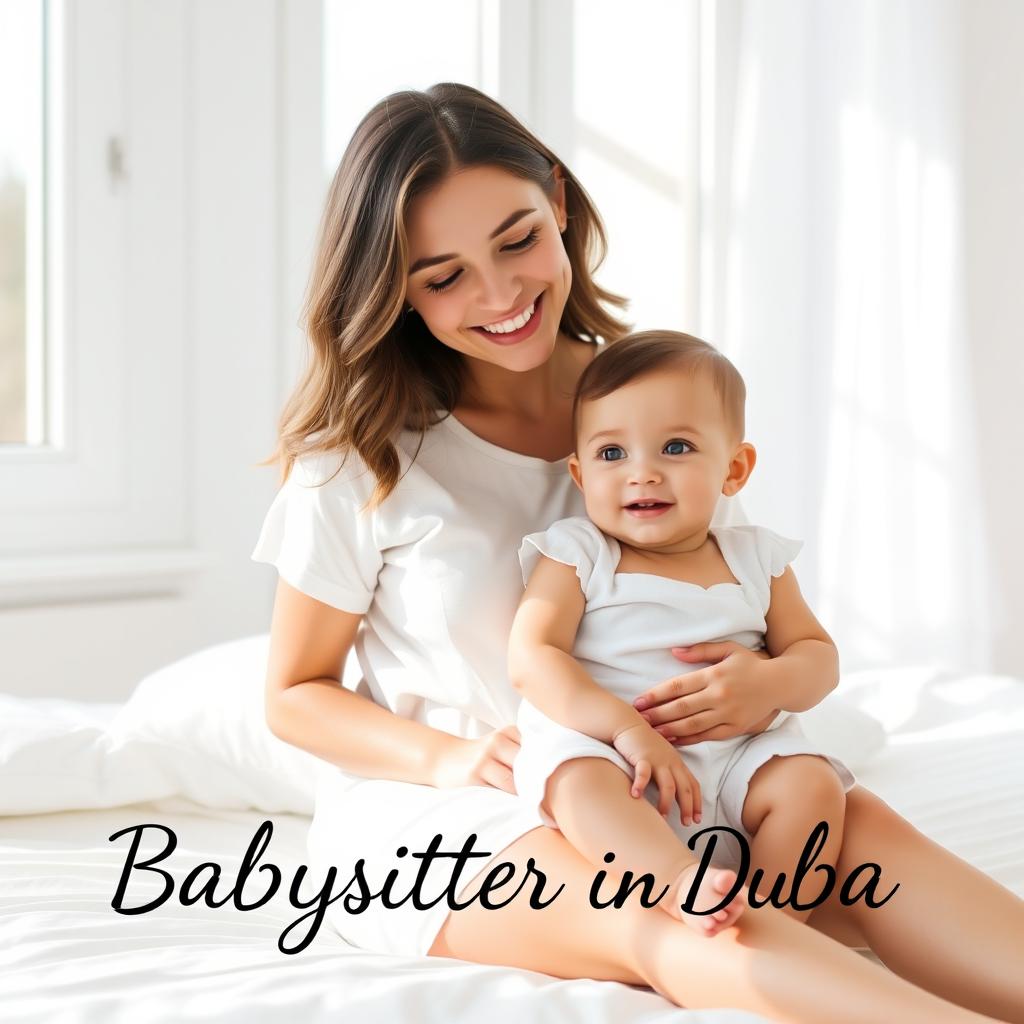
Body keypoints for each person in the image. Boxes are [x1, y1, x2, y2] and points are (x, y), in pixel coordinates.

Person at [251, 82, 1024, 1023]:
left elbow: (718, 579)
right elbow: (294, 694)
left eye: (517, 240)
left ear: (560, 206)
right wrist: (450, 760)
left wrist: (758, 680)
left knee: (854, 828)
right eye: (442, 275)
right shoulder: (362, 457)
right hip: (468, 814)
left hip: (680, 769)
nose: (499, 296)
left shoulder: (646, 395)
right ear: (392, 288)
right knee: (674, 919)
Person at [508, 331, 853, 936]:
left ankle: (775, 923)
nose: (642, 474)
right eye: (612, 454)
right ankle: (675, 883)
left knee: (813, 785)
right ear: (580, 474)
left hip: (739, 759)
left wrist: (771, 681)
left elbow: (819, 657)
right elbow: (531, 656)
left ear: (735, 469)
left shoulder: (756, 559)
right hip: (620, 758)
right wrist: (624, 729)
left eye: (675, 447)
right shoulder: (578, 555)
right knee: (573, 779)